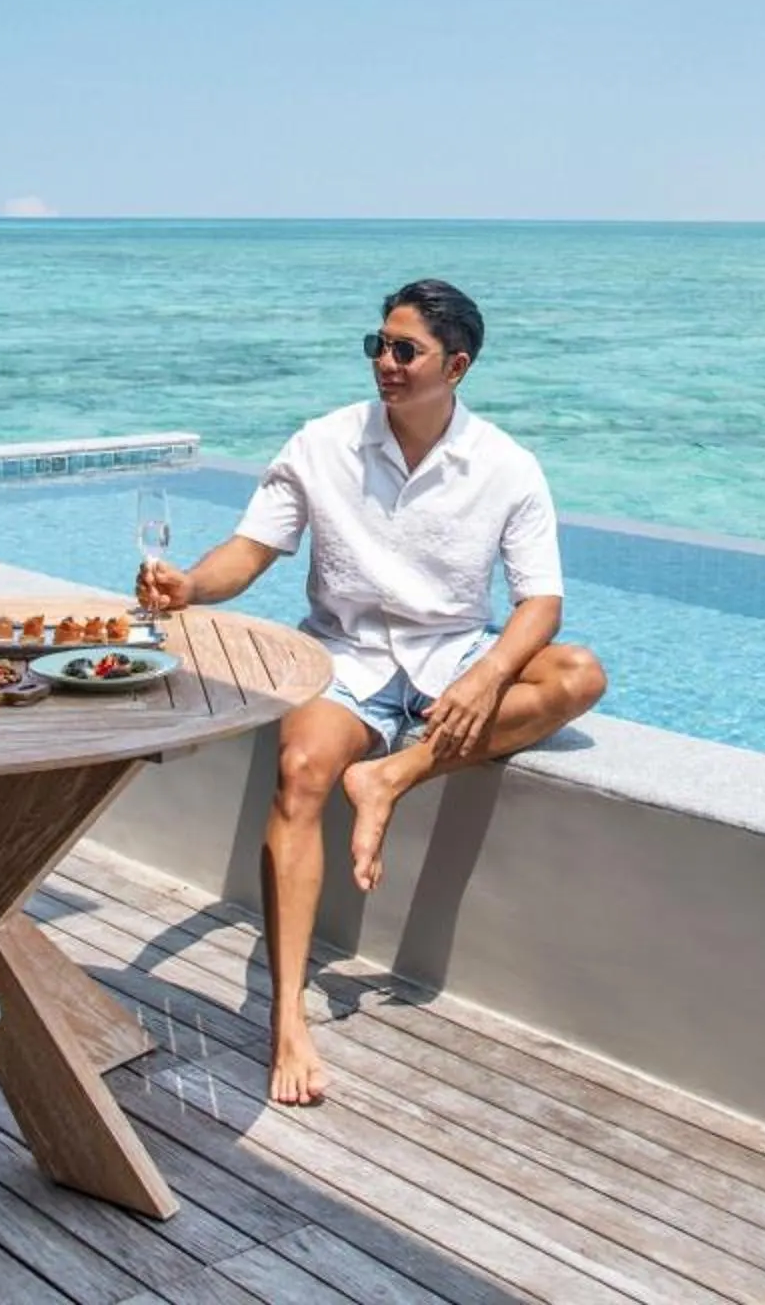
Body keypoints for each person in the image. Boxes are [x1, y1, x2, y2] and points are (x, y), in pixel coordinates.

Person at [137, 279, 605, 1104]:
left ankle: (393, 774)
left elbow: (542, 603)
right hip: (343, 658)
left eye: (404, 350)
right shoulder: (323, 443)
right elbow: (250, 551)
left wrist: (489, 673)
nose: (383, 363)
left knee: (579, 675)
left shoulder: (507, 467)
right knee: (302, 776)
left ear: (455, 365)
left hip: (452, 657)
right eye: (377, 346)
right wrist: (189, 586)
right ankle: (286, 1017)